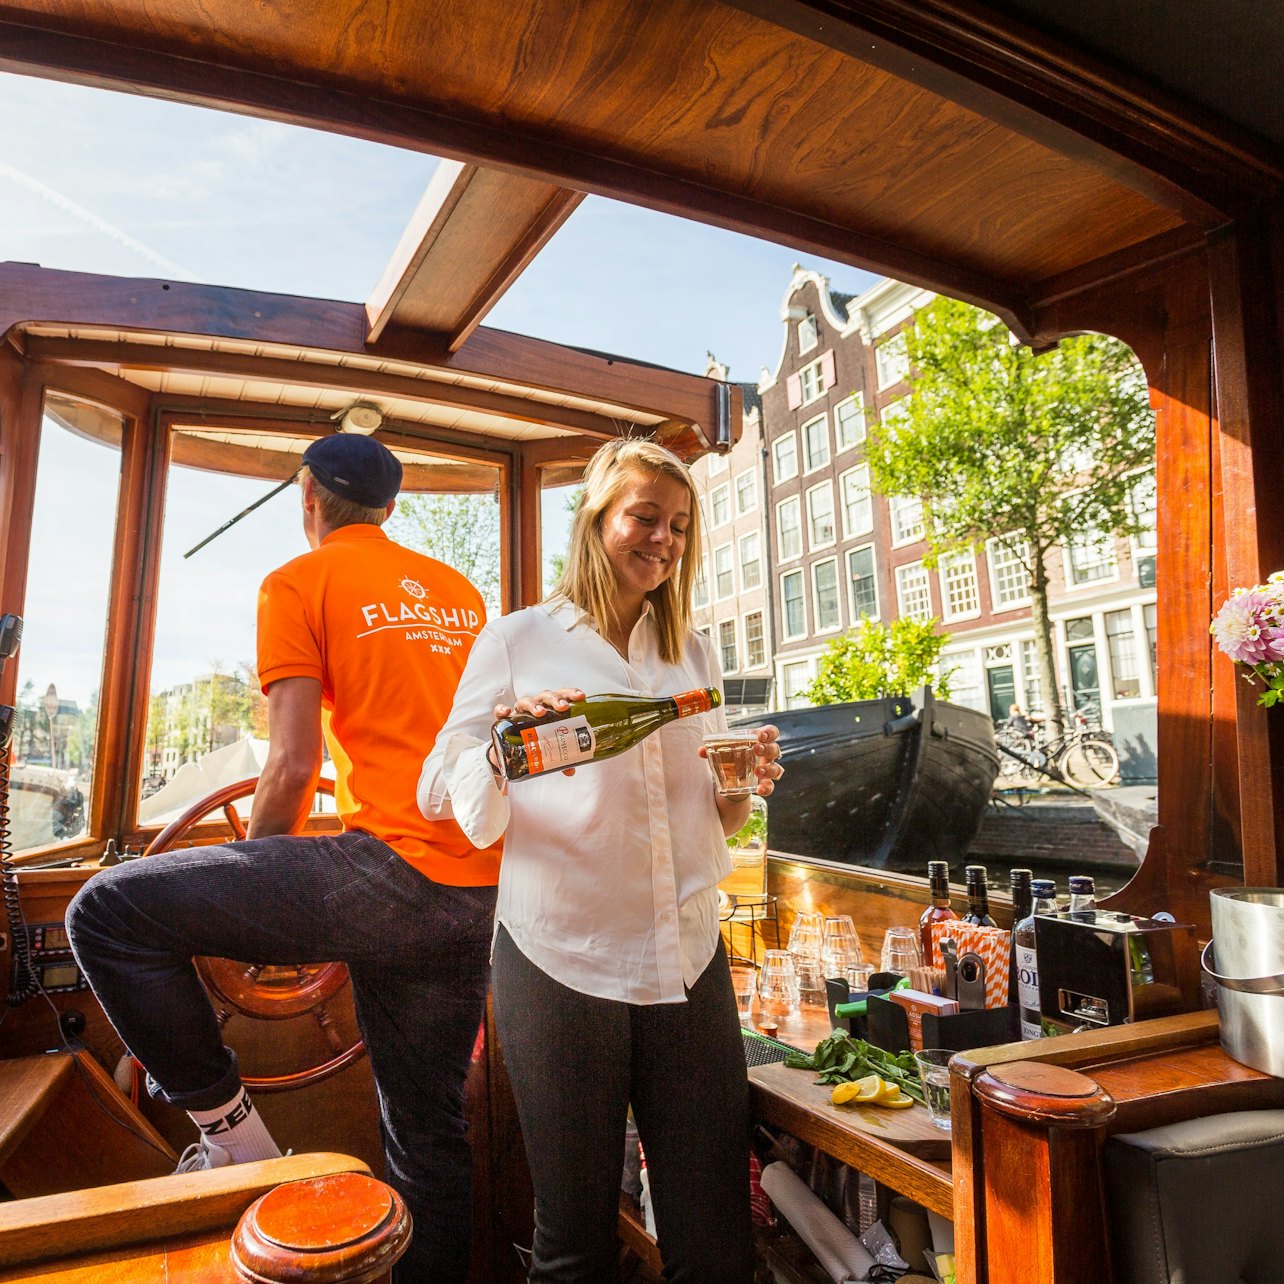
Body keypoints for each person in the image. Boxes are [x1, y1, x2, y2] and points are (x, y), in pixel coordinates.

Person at [68, 434, 501, 1283]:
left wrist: (249, 921)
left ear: (308, 498)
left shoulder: (297, 582)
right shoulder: (457, 591)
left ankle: (237, 1144)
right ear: (390, 508)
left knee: (106, 913)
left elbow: (294, 766)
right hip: (484, 888)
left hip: (392, 872)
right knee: (426, 1133)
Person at [418, 437, 783, 1283]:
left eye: (679, 525)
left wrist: (742, 782)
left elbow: (717, 816)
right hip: (562, 959)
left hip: (687, 956)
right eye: (644, 517)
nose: (664, 540)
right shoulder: (518, 640)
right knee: (575, 1243)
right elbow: (436, 787)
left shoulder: (693, 651)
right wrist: (508, 748)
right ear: (594, 520)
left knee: (717, 1240)